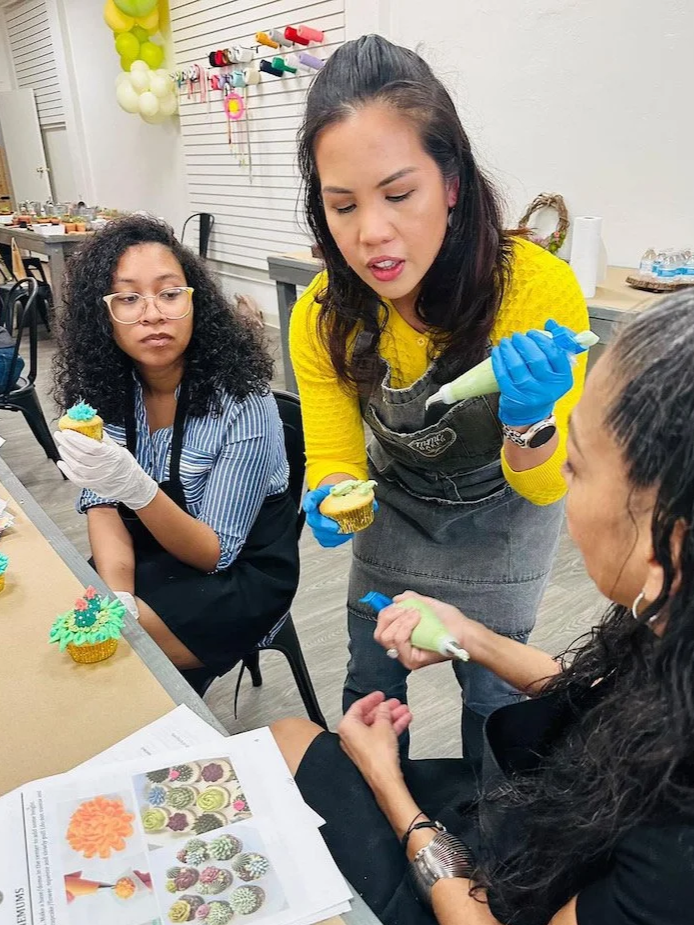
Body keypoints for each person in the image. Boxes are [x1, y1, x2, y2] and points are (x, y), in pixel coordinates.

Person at [275, 291, 694, 925]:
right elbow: (598, 695)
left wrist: (390, 784)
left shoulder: (679, 841)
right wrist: (468, 633)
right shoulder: (669, 621)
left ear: (672, 540)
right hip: (545, 824)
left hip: (498, 896)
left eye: (575, 468)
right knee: (285, 740)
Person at [289, 34, 590, 754]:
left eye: (399, 194)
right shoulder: (323, 313)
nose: (373, 235)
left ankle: (496, 852)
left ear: (450, 183)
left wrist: (529, 419)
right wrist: (330, 492)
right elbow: (333, 455)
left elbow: (549, 486)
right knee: (368, 682)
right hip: (398, 514)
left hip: (505, 520)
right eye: (343, 206)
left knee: (495, 705)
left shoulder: (533, 292)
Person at [52, 215, 300, 682]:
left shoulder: (242, 401)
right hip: (147, 558)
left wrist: (135, 485)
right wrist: (119, 595)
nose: (152, 314)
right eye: (128, 298)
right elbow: (103, 507)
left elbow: (216, 552)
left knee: (104, 665)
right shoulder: (105, 393)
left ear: (195, 303)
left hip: (236, 573)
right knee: (74, 630)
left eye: (169, 294)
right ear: (102, 313)